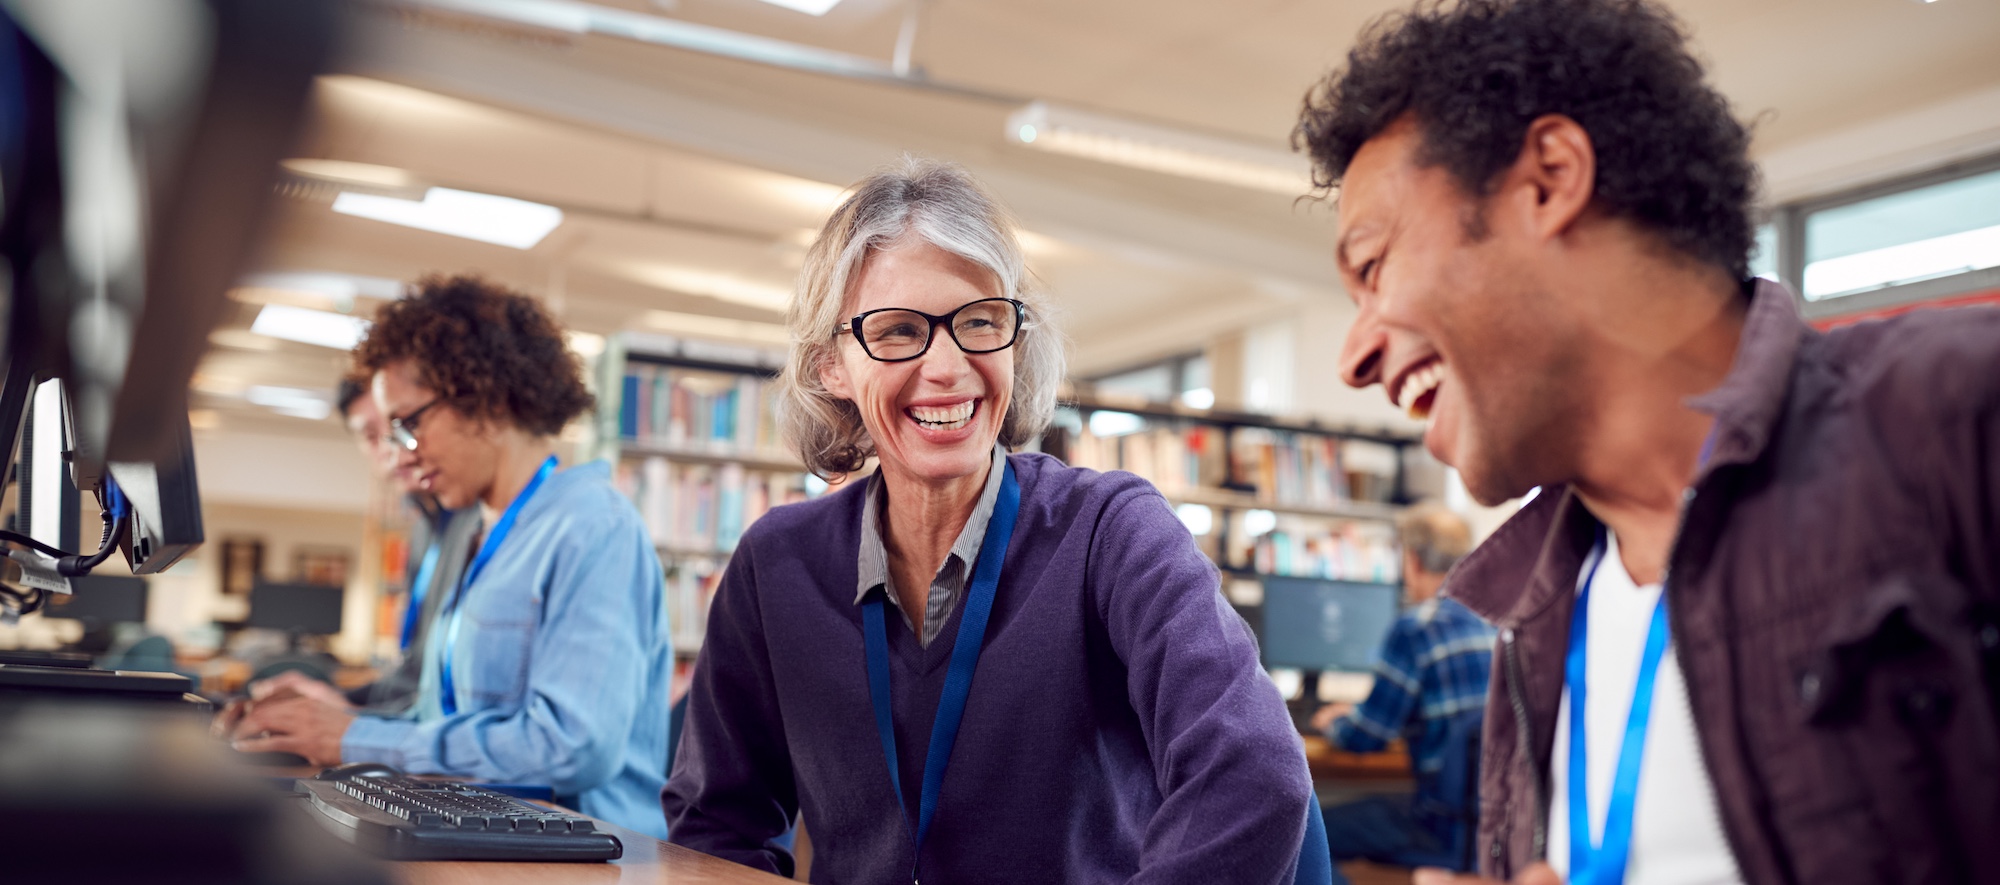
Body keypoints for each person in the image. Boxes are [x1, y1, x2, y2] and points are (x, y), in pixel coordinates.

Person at [1295, 0, 2000, 883]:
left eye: (1372, 267)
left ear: (1549, 179)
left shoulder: (1954, 417)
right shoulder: (1533, 616)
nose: (1354, 357)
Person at [662, 159, 1316, 884]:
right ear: (831, 367)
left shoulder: (1112, 533)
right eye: (899, 330)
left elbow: (1255, 776)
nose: (948, 365)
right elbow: (717, 820)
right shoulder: (775, 565)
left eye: (980, 322)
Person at [227, 275, 675, 839]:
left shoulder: (592, 528)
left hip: (585, 848)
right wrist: (326, 722)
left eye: (409, 425)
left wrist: (351, 736)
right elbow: (446, 724)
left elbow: (572, 750)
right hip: (475, 826)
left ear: (484, 396)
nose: (399, 455)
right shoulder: (474, 535)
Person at [218, 378, 480, 721]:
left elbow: (439, 704)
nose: (395, 447)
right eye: (374, 435)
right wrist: (335, 700)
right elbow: (411, 681)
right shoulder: (424, 528)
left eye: (404, 426)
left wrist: (349, 716)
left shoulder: (476, 526)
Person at [1311, 503, 1492, 876]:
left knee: (1304, 832)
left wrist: (1334, 722)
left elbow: (1367, 737)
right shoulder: (1498, 621)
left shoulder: (1416, 628)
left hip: (1438, 827)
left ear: (1412, 561)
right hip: (1494, 829)